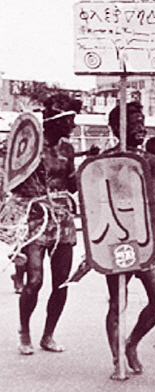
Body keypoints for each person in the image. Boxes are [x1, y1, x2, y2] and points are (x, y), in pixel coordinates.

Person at [12, 93, 81, 355]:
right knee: (35, 280)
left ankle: (48, 335)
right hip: (35, 217)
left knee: (62, 282)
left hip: (62, 218)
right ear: (54, 121)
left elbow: (72, 185)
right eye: (69, 121)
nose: (73, 127)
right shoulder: (28, 144)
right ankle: (25, 332)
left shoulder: (68, 149)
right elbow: (10, 177)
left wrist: (90, 169)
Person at [103, 101, 155, 380]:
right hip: (117, 239)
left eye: (143, 122)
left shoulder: (152, 161)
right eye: (134, 123)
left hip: (147, 239)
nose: (141, 128)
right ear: (118, 127)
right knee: (118, 303)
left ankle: (132, 344)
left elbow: (154, 197)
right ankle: (117, 357)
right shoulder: (105, 161)